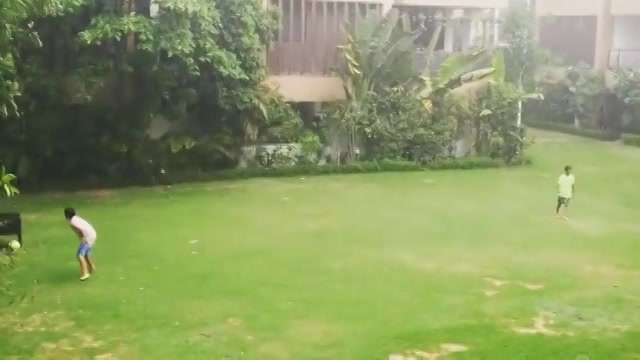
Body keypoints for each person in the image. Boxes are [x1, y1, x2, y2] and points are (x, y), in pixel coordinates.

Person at [64, 207, 97, 281]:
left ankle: (85, 273)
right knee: (85, 254)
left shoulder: (72, 222)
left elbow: (79, 230)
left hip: (87, 237)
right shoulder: (76, 218)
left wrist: (82, 238)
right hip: (93, 234)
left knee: (80, 255)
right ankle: (91, 267)